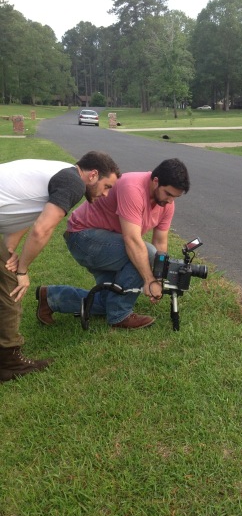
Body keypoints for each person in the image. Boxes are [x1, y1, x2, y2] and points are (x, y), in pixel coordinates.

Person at [0, 152, 121, 381]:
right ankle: (9, 361)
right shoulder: (73, 182)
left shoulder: (61, 172)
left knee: (7, 280)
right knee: (12, 283)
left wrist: (10, 252)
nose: (106, 194)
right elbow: (42, 229)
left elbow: (23, 214)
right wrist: (23, 270)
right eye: (106, 186)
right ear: (93, 175)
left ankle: (8, 359)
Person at [36, 158, 190, 330]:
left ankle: (50, 297)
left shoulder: (166, 204)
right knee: (147, 253)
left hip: (109, 243)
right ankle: (119, 314)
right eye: (168, 194)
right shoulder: (133, 187)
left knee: (108, 299)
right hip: (83, 238)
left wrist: (159, 279)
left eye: (175, 197)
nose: (170, 201)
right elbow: (132, 240)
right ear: (156, 181)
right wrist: (148, 279)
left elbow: (161, 241)